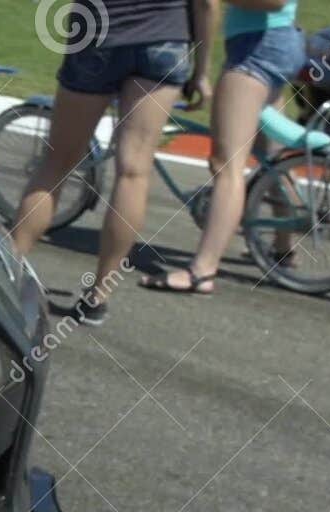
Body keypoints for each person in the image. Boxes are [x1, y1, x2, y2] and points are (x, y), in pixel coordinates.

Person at [11, 0, 217, 325]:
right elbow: (206, 3)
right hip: (165, 37)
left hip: (98, 33)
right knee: (134, 173)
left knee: (57, 163)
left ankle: (8, 272)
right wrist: (203, 71)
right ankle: (98, 296)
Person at [141, 1, 304, 294]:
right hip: (280, 41)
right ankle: (283, 249)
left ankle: (202, 271)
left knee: (227, 166)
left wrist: (200, 72)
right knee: (272, 157)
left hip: (257, 49)